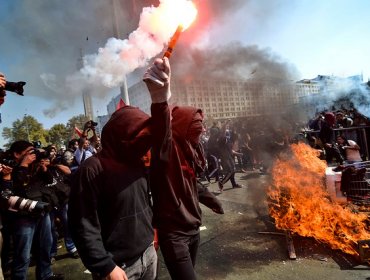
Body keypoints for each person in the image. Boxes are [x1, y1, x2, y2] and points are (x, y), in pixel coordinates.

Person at [67, 60, 172, 280]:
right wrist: (105, 266)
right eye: (136, 135)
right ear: (119, 136)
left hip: (148, 253)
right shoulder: (92, 168)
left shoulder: (137, 161)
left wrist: (161, 99)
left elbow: (161, 143)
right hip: (119, 266)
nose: (142, 144)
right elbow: (82, 224)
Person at [144, 58, 223, 280]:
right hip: (174, 234)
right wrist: (160, 98)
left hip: (193, 230)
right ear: (182, 126)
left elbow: (192, 183)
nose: (202, 130)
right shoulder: (166, 151)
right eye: (196, 125)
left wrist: (211, 200)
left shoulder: (191, 150)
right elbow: (162, 129)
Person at [8, 140, 64, 280]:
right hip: (23, 217)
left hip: (42, 211)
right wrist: (23, 165)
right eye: (30, 152)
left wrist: (44, 169)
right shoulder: (9, 169)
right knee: (23, 255)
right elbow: (18, 190)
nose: (34, 155)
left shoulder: (36, 167)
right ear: (17, 154)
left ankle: (45, 275)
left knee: (45, 247)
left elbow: (50, 182)